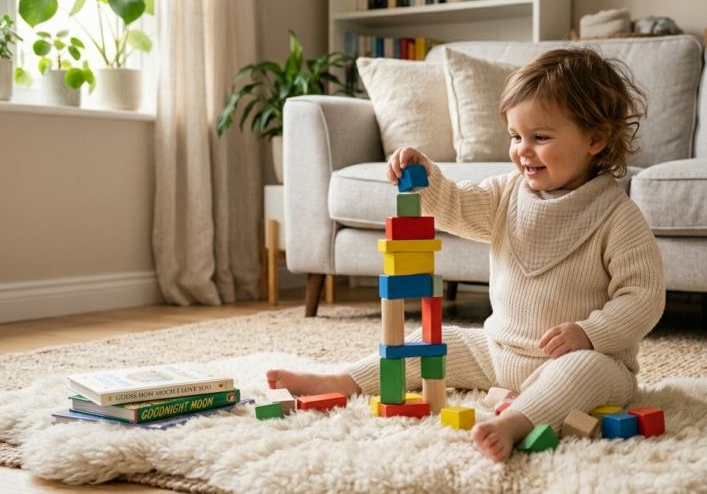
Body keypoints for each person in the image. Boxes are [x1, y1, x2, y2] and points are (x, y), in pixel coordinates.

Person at [267, 47, 665, 463]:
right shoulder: (506, 193)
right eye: (515, 137)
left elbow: (643, 297)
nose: (522, 150)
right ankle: (342, 380)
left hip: (582, 360)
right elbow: (456, 206)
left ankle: (516, 423)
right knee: (435, 341)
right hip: (500, 354)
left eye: (540, 138)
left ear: (595, 139)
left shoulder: (618, 217)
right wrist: (426, 177)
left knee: (583, 372)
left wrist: (591, 334)